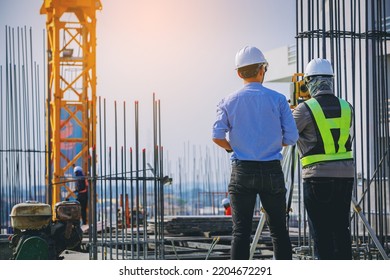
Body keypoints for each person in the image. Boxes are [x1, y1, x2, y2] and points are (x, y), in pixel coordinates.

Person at [212, 46, 299, 260]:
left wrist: (233, 147)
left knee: (240, 232)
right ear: (262, 70)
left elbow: (216, 135)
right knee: (279, 231)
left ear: (239, 73)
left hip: (242, 170)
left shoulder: (228, 101)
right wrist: (271, 144)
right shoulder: (278, 100)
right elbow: (292, 138)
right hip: (271, 170)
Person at [292, 58, 354, 259]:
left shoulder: (305, 109)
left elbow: (287, 135)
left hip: (317, 178)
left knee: (321, 233)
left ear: (309, 81)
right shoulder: (347, 107)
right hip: (346, 177)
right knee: (341, 229)